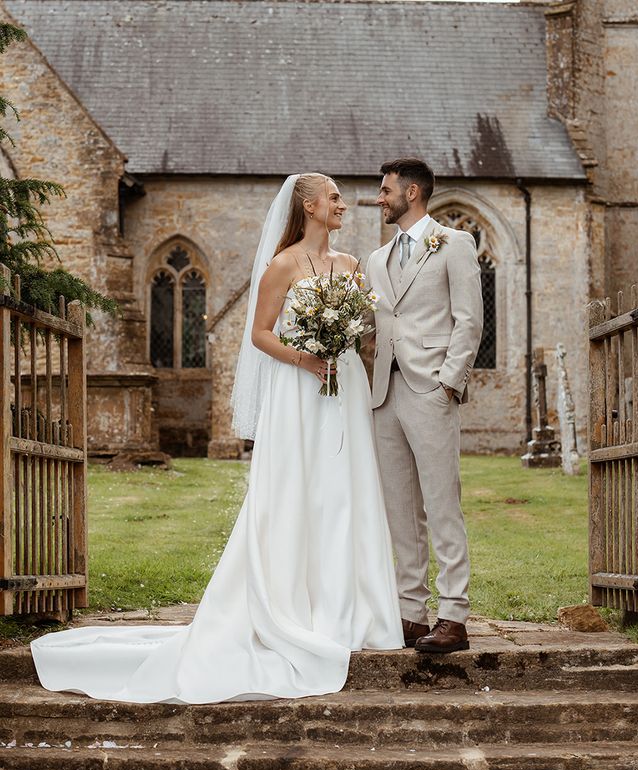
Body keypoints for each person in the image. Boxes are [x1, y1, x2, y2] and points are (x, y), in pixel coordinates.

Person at [30, 173, 404, 704]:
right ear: (308, 205)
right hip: (300, 391)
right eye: (335, 198)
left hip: (342, 387)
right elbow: (259, 334)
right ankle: (292, 606)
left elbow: (363, 326)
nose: (343, 204)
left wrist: (342, 339)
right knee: (300, 491)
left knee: (347, 491)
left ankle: (354, 608)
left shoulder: (350, 266)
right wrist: (306, 358)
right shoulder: (281, 265)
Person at [367, 158, 483, 654]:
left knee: (441, 505)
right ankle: (411, 614)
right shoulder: (377, 259)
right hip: (384, 396)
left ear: (412, 193)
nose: (380, 197)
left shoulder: (454, 244)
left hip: (430, 390)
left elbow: (469, 320)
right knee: (400, 510)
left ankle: (453, 615)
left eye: (386, 189)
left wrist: (448, 384)